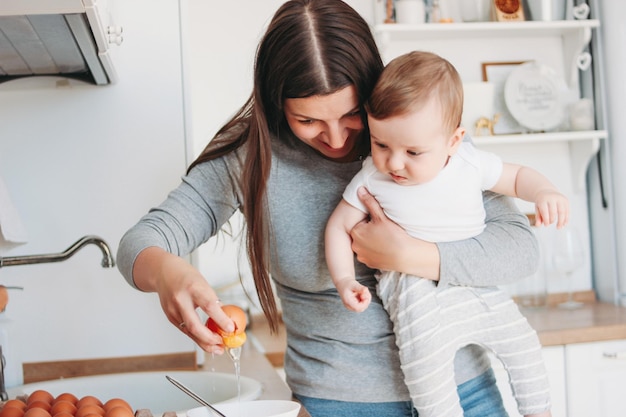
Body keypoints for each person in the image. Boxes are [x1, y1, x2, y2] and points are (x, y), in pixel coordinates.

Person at [116, 1, 541, 416]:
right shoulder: (251, 159)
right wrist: (168, 272)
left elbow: (521, 248)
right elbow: (140, 243)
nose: (336, 139)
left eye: (353, 114)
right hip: (339, 405)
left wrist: (409, 256)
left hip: (466, 391)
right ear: (275, 102)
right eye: (309, 121)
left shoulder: (417, 133)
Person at [325, 51, 562, 417]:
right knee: (428, 378)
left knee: (523, 346)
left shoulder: (468, 163)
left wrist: (544, 191)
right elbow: (339, 226)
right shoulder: (372, 177)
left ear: (454, 140)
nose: (395, 162)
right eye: (381, 144)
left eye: (413, 151)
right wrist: (343, 279)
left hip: (475, 283)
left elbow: (516, 177)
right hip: (415, 295)